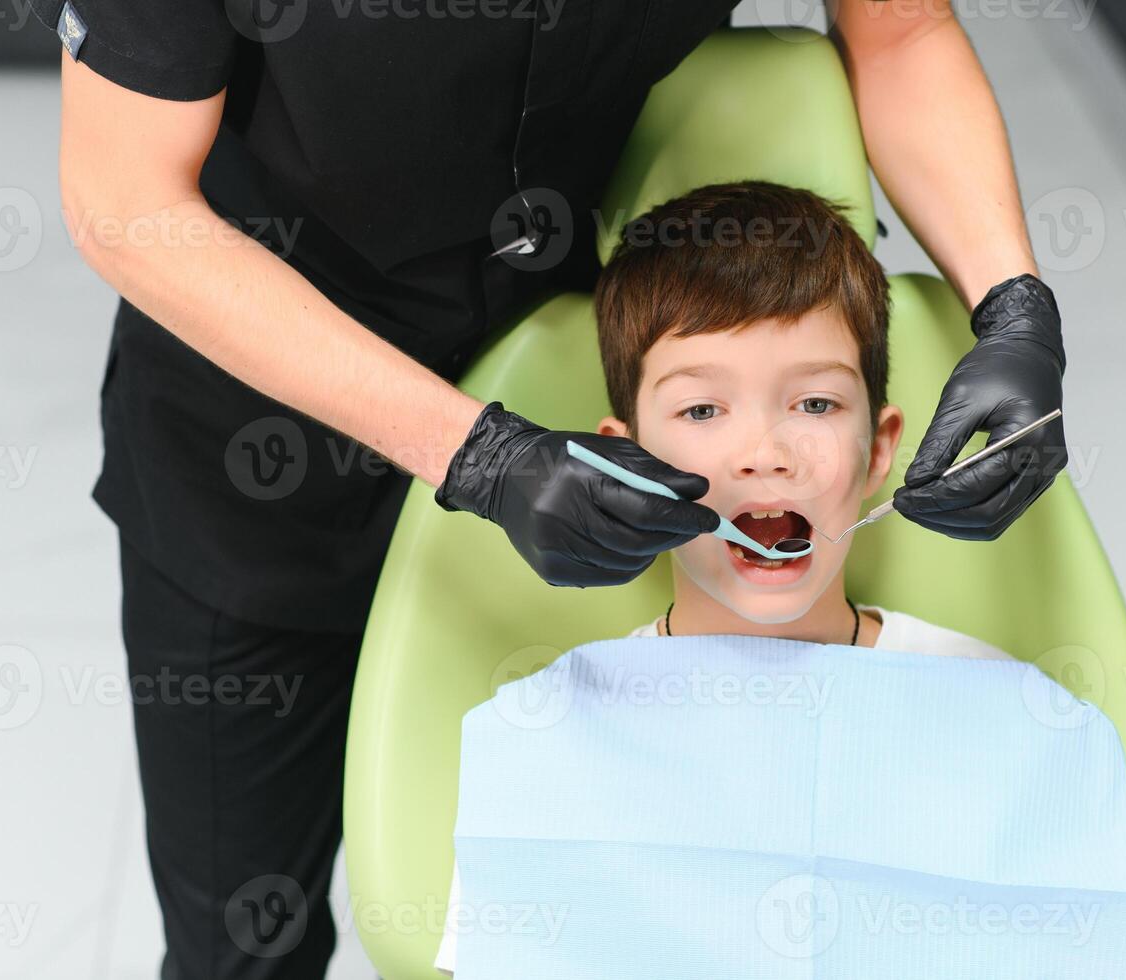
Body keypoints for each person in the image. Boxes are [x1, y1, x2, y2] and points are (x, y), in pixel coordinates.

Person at [30, 0, 1065, 975]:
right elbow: (126, 202)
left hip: (589, 393)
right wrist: (478, 454)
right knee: (242, 938)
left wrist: (1014, 305)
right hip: (266, 417)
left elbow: (900, 32)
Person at [433, 179, 1021, 972]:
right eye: (702, 411)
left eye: (814, 404)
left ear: (880, 449)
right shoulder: (550, 741)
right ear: (624, 460)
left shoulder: (991, 709)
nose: (765, 451)